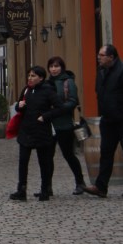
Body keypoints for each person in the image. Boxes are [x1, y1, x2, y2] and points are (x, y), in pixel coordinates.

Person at [84, 43, 123, 199]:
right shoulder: (101, 71)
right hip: (108, 120)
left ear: (111, 57)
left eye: (101, 55)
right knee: (106, 153)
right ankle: (101, 187)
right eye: (98, 55)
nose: (98, 58)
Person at [9, 65, 62, 202]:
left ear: (41, 78)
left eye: (33, 76)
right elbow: (19, 107)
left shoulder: (48, 91)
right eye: (29, 75)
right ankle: (21, 190)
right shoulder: (26, 90)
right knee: (23, 162)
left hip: (41, 131)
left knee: (44, 162)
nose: (30, 78)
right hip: (26, 130)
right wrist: (18, 106)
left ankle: (45, 190)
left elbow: (59, 108)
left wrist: (45, 116)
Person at [45, 56, 87, 196]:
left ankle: (80, 182)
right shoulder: (46, 83)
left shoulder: (68, 82)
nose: (54, 69)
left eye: (56, 66)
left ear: (62, 67)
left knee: (68, 154)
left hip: (64, 124)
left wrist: (59, 109)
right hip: (49, 125)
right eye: (51, 66)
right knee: (47, 156)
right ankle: (47, 187)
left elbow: (73, 101)